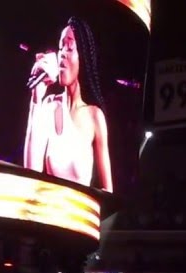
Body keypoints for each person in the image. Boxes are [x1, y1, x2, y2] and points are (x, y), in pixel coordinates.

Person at [23, 17, 113, 191]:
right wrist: (36, 99)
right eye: (60, 47)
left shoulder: (94, 116)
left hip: (78, 215)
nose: (62, 53)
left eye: (69, 47)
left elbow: (107, 192)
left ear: (83, 57)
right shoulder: (49, 106)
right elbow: (31, 172)